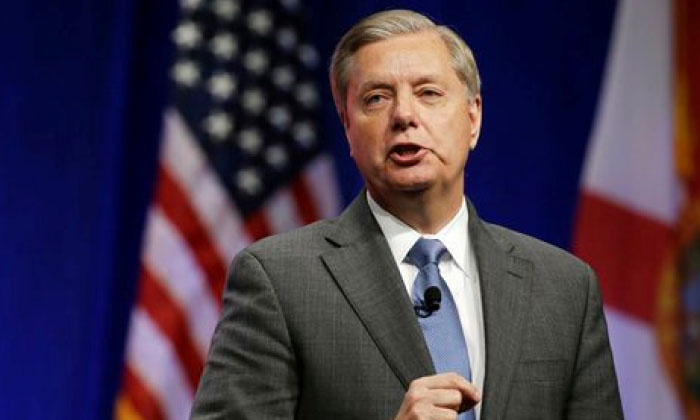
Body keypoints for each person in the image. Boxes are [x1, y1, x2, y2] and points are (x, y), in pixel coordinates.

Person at [190, 9, 623, 420]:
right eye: (377, 98)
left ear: (473, 117)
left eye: (428, 93)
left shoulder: (564, 288)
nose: (403, 115)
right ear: (347, 126)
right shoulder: (280, 281)